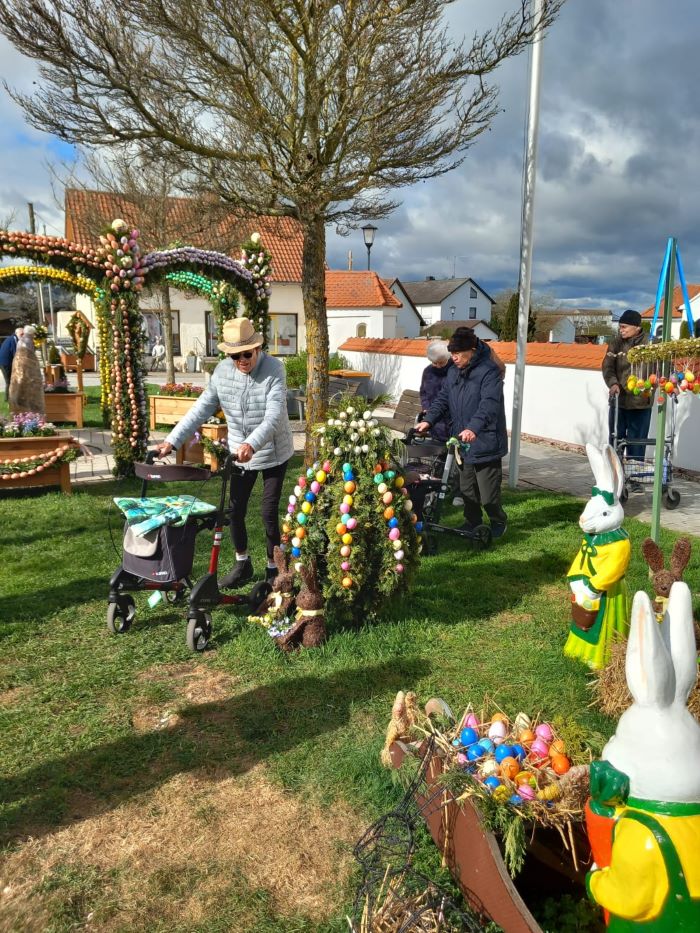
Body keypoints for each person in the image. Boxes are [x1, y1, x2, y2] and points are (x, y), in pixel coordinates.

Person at [155, 317, 294, 587]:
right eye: (234, 355)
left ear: (257, 349)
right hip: (239, 452)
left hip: (273, 450)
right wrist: (171, 441)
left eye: (246, 354)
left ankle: (273, 568)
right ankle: (242, 564)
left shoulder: (275, 369)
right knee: (235, 510)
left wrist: (252, 444)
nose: (241, 360)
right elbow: (200, 409)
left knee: (267, 511)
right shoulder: (221, 372)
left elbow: (274, 416)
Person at [416, 327, 508, 538]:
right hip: (463, 440)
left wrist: (473, 428)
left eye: (458, 354)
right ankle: (472, 521)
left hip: (486, 439)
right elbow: (443, 398)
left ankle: (498, 521)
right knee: (467, 489)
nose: (454, 358)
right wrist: (428, 421)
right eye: (452, 354)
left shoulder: (489, 372)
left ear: (472, 350)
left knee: (488, 493)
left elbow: (489, 405)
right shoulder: (453, 371)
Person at [602, 309, 652, 463]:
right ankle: (614, 481)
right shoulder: (616, 343)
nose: (620, 330)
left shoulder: (651, 344)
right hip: (619, 402)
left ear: (636, 327)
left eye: (624, 327)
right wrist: (613, 383)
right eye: (620, 326)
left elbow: (662, 367)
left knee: (637, 445)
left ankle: (635, 481)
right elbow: (607, 366)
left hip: (640, 404)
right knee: (615, 442)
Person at [9, 325, 45, 415]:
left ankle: (21, 406)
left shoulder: (21, 340)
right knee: (26, 387)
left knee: (19, 387)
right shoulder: (27, 341)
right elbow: (29, 357)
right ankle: (28, 408)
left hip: (18, 367)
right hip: (25, 368)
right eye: (33, 334)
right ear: (31, 334)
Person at [0, 327, 23, 402]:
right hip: (5, 363)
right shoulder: (13, 340)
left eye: (23, 334)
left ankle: (11, 397)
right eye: (21, 334)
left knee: (11, 380)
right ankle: (8, 399)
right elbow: (15, 353)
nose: (23, 336)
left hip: (5, 362)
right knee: (9, 381)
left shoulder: (12, 338)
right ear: (16, 333)